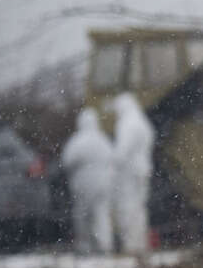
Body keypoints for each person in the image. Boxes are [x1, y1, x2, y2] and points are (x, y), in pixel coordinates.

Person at [60, 107, 116, 255]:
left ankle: (86, 247)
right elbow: (112, 159)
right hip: (103, 183)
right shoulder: (102, 139)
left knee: (83, 216)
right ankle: (105, 245)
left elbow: (67, 161)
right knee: (101, 215)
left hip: (83, 185)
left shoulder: (78, 141)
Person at [111, 92, 155, 254]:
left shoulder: (127, 123)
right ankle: (140, 243)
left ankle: (132, 245)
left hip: (130, 172)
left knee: (128, 207)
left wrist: (113, 163)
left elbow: (122, 151)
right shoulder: (142, 121)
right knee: (140, 208)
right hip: (144, 169)